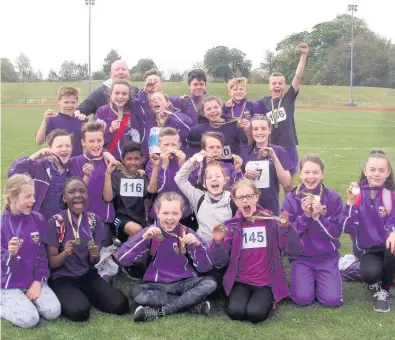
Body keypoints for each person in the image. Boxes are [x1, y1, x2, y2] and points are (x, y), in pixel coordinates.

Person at [210, 179, 301, 323]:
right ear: (235, 200)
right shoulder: (231, 227)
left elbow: (291, 249)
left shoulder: (271, 221)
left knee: (255, 314)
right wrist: (217, 242)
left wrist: (286, 229)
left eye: (249, 196)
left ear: (257, 197)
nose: (245, 201)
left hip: (265, 281)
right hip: (241, 280)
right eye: (240, 197)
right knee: (235, 312)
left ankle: (271, 298)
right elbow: (219, 261)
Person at [117, 192, 217, 322]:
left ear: (181, 214)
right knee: (136, 292)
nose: (170, 218)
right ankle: (191, 305)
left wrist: (198, 245)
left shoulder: (187, 233)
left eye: (175, 213)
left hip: (185, 283)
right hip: (157, 285)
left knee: (210, 282)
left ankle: (160, 311)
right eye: (165, 213)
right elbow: (122, 258)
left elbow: (205, 267)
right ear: (157, 213)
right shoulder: (150, 232)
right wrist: (143, 239)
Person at [43, 177, 129, 322]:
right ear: (64, 197)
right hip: (63, 278)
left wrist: (94, 255)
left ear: (87, 195)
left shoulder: (93, 221)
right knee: (79, 312)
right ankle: (77, 297)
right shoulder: (56, 222)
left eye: (82, 191)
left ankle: (90, 293)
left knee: (121, 305)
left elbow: (93, 261)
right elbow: (53, 263)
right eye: (72, 192)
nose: (77, 195)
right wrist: (65, 253)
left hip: (88, 274)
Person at [282, 154, 343, 308]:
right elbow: (288, 236)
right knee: (302, 299)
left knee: (332, 301)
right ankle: (309, 279)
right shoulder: (290, 199)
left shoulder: (333, 198)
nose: (311, 177)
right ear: (300, 174)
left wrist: (317, 217)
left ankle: (325, 276)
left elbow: (336, 233)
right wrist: (305, 216)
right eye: (307, 172)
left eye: (315, 172)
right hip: (301, 257)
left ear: (322, 175)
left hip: (326, 257)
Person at [1, 174, 61, 328]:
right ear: (12, 198)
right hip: (8, 283)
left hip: (31, 280)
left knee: (53, 311)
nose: (33, 200)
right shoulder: (2, 225)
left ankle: (23, 299)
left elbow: (42, 254)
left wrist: (37, 281)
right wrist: (11, 255)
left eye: (33, 195)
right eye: (28, 196)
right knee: (30, 320)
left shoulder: (38, 219)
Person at [341, 150, 395, 312]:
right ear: (365, 170)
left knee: (392, 246)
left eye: (381, 170)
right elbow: (346, 227)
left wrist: (393, 231)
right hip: (368, 251)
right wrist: (350, 202)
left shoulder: (390, 195)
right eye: (372, 169)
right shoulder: (357, 194)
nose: (376, 174)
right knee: (370, 275)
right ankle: (374, 277)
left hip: (389, 247)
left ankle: (383, 291)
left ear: (388, 172)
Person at [257, 43, 309, 183]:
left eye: (280, 83)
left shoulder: (288, 98)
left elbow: (298, 77)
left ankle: (288, 205)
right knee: (269, 182)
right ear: (269, 87)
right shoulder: (263, 102)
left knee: (288, 184)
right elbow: (245, 106)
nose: (277, 86)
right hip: (270, 146)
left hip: (288, 146)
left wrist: (303, 55)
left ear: (284, 86)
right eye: (274, 83)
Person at [70, 121, 118, 245]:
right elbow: (75, 195)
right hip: (80, 220)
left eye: (99, 140)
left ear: (103, 141)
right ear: (83, 143)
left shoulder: (110, 162)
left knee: (100, 258)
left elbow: (108, 198)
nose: (96, 145)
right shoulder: (75, 162)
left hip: (103, 220)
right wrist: (86, 177)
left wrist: (108, 173)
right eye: (91, 141)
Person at [103, 141, 160, 243]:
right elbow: (107, 198)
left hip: (140, 220)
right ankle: (121, 255)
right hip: (119, 220)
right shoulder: (116, 177)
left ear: (142, 160)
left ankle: (127, 255)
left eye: (136, 159)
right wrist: (108, 174)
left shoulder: (143, 177)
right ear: (122, 160)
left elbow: (152, 190)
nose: (133, 162)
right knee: (136, 229)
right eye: (129, 159)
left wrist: (155, 166)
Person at [241, 115, 292, 216]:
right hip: (248, 207)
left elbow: (287, 184)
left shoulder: (279, 151)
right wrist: (245, 176)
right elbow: (237, 183)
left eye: (263, 129)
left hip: (271, 207)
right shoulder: (244, 152)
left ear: (269, 130)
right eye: (255, 129)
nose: (259, 132)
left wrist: (274, 158)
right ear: (251, 131)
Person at [93, 80, 141, 160]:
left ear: (129, 96)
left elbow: (136, 138)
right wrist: (110, 130)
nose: (120, 97)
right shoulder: (102, 112)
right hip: (106, 158)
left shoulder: (132, 114)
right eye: (117, 93)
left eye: (124, 94)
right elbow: (95, 138)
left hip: (126, 161)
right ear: (111, 94)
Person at [35, 87, 87, 157]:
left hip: (76, 164)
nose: (69, 105)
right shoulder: (52, 120)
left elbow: (86, 145)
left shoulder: (82, 120)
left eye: (73, 102)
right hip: (57, 164)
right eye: (66, 102)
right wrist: (45, 121)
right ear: (58, 102)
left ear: (77, 103)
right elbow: (39, 141)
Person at [141, 91, 193, 158]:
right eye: (152, 100)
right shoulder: (148, 119)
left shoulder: (178, 116)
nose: (156, 101)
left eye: (159, 99)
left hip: (174, 160)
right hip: (152, 161)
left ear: (168, 103)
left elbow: (189, 129)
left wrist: (173, 116)